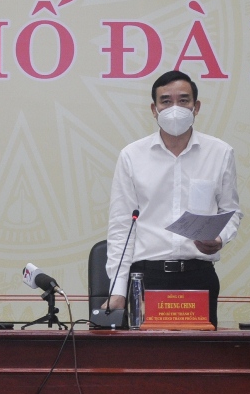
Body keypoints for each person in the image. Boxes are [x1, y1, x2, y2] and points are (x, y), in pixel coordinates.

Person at [103, 70, 241, 327]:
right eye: (166, 101)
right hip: (147, 277)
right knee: (148, 362)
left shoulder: (220, 152)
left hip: (198, 276)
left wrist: (220, 239)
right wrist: (118, 290)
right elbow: (122, 226)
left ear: (196, 107)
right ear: (154, 109)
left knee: (199, 361)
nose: (175, 108)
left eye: (184, 100)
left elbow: (231, 211)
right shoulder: (132, 156)